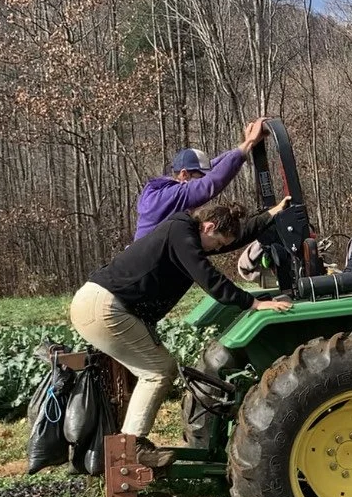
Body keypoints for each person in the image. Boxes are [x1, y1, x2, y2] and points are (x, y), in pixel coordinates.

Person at [71, 200, 291, 467]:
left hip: (103, 304)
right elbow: (208, 277)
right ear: (208, 227)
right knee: (158, 370)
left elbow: (235, 239)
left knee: (152, 369)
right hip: (104, 307)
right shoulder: (180, 232)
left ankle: (125, 444)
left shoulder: (189, 235)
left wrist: (272, 213)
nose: (219, 249)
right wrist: (252, 302)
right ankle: (132, 446)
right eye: (218, 243)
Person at [133, 119, 267, 240]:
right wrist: (249, 143)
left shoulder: (164, 189)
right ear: (184, 174)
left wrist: (244, 145)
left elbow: (214, 167)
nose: (201, 180)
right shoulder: (172, 195)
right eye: (199, 177)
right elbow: (211, 182)